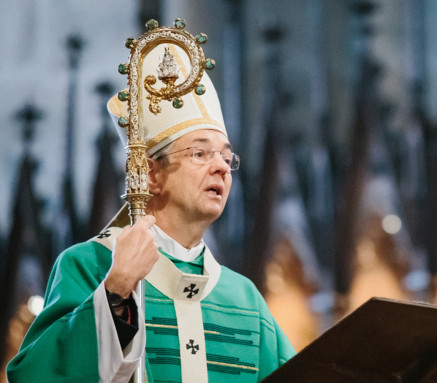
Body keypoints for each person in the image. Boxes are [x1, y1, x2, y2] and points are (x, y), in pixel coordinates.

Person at [6, 43, 295, 382]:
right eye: (201, 154)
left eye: (226, 157)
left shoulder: (244, 299)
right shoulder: (91, 266)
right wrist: (115, 291)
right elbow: (33, 377)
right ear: (151, 174)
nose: (221, 167)